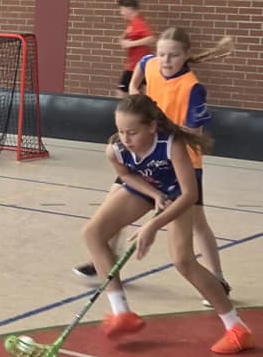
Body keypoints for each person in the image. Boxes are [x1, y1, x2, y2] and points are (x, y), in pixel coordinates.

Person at [82, 94, 253, 354]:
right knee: (93, 233)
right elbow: (126, 175)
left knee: (183, 261)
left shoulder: (172, 145)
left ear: (152, 126)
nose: (125, 139)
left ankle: (236, 328)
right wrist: (153, 195)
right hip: (147, 186)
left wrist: (152, 226)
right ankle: (121, 312)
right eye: (120, 131)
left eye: (132, 132)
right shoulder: (115, 150)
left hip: (178, 193)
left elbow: (190, 195)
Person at [72, 29, 233, 304]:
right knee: (113, 203)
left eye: (173, 55)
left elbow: (193, 131)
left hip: (179, 160)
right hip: (142, 151)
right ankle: (105, 259)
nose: (166, 60)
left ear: (186, 55)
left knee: (197, 222)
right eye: (162, 54)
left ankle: (218, 278)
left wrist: (158, 128)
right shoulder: (149, 63)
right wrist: (139, 107)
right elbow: (135, 82)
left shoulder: (193, 88)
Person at [115, 0, 155, 97]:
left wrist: (130, 44)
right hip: (136, 65)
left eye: (122, 10)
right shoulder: (132, 24)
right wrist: (123, 38)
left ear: (128, 9)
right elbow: (123, 40)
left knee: (121, 93)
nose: (121, 13)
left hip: (135, 66)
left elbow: (151, 38)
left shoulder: (138, 22)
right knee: (144, 92)